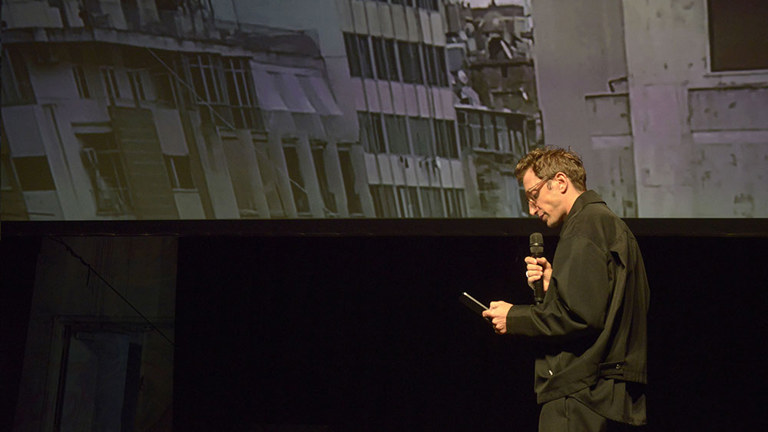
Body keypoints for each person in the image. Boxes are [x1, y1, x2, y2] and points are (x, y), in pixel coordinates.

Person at [482, 147, 649, 431]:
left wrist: (513, 317)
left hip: (582, 394)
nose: (532, 209)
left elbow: (579, 317)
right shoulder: (606, 224)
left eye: (533, 195)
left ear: (560, 182)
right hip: (605, 394)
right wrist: (555, 286)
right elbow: (600, 306)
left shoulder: (584, 227)